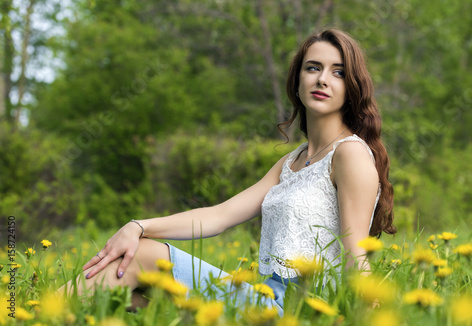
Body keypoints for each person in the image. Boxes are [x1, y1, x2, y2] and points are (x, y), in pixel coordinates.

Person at [61, 28, 396, 313]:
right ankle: (43, 312)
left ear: (351, 87)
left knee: (141, 260)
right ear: (297, 82)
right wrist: (138, 226)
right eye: (313, 68)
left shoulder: (349, 154)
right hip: (263, 295)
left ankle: (32, 312)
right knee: (131, 299)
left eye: (338, 72)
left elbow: (356, 258)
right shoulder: (291, 162)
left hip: (299, 309)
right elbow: (219, 216)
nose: (323, 79)